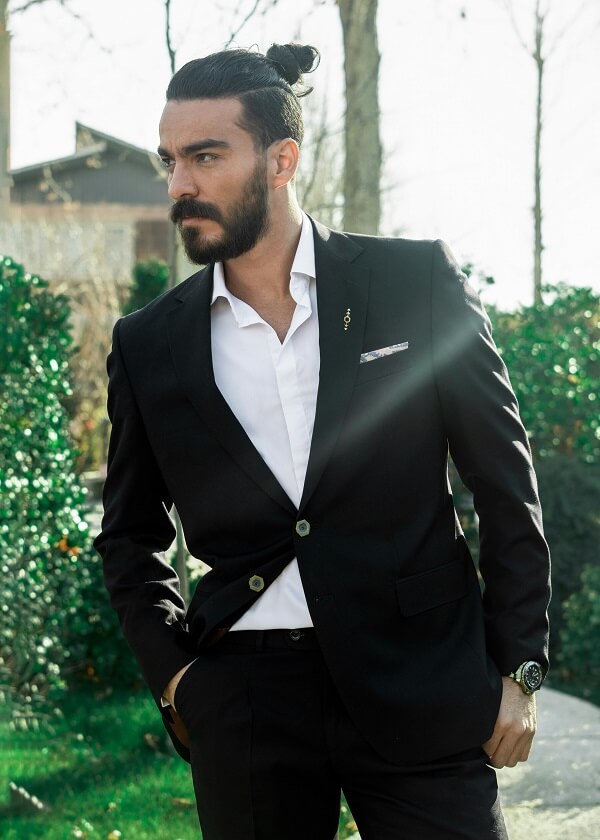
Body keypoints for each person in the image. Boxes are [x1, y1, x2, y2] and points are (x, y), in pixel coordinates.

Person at [94, 43, 551, 840]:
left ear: (282, 160)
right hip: (244, 702)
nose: (179, 186)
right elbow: (129, 537)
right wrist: (177, 678)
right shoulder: (149, 342)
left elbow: (504, 482)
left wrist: (518, 668)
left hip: (421, 677)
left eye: (206, 156)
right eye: (170, 160)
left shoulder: (411, 285)